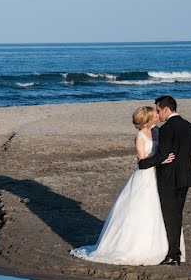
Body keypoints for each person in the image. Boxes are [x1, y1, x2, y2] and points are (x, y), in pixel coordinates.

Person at [70, 106, 180, 265]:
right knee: (142, 209)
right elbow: (143, 160)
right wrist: (161, 160)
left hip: (159, 175)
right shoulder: (140, 136)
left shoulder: (157, 131)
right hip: (145, 176)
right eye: (153, 114)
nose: (157, 115)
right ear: (147, 118)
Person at [137, 96, 191, 265]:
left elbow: (163, 155)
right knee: (177, 215)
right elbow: (188, 153)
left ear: (166, 109)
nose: (158, 114)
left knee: (170, 217)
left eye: (158, 110)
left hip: (169, 178)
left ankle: (173, 254)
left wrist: (144, 163)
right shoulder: (190, 127)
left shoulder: (166, 129)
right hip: (186, 176)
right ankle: (174, 252)